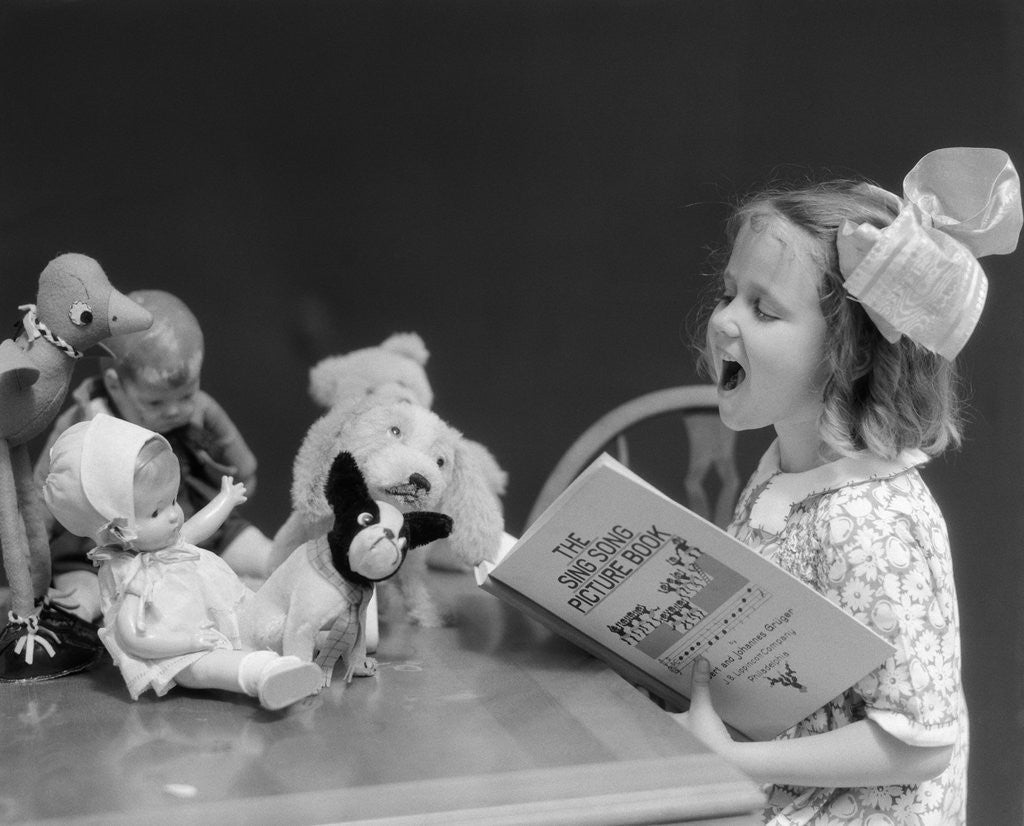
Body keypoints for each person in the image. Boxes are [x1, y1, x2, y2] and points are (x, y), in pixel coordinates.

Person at [676, 147, 1021, 824]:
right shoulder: (785, 472)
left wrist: (736, 760)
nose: (722, 320)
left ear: (850, 353)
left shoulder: (864, 521)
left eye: (763, 309)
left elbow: (919, 744)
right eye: (727, 294)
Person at [42, 414, 322, 710]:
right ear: (112, 529)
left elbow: (196, 527)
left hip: (221, 613)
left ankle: (316, 639)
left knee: (260, 623)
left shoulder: (172, 542)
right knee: (200, 669)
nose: (174, 515)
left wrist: (225, 500)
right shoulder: (132, 573)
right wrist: (188, 642)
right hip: (179, 645)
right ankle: (264, 673)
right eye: (155, 512)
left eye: (173, 500)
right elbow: (131, 635)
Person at [32, 289, 274, 624]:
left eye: (186, 395)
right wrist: (35, 546)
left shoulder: (201, 411)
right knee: (83, 603)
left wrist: (239, 482)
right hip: (104, 553)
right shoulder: (85, 424)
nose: (175, 410)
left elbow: (244, 466)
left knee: (267, 557)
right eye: (156, 402)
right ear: (115, 385)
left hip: (190, 526)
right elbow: (43, 490)